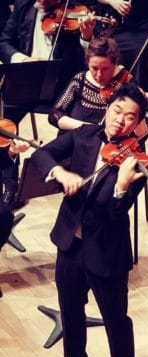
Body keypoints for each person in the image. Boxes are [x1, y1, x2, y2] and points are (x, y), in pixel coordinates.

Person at [30, 83, 148, 357]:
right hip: (70, 242)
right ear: (107, 108)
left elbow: (117, 212)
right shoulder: (83, 135)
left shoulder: (136, 163)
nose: (120, 120)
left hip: (106, 250)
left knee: (115, 317)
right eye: (117, 111)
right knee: (70, 308)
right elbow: (41, 155)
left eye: (130, 117)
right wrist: (59, 172)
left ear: (138, 123)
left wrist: (122, 186)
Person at [0, 0, 95, 206]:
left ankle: (64, 177)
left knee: (73, 123)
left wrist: (85, 38)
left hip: (61, 85)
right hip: (27, 78)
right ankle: (10, 184)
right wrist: (21, 59)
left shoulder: (75, 11)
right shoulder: (25, 5)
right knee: (3, 121)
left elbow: (84, 62)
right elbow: (4, 42)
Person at [48, 36, 127, 131]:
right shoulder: (80, 80)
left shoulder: (125, 85)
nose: (99, 75)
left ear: (116, 63)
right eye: (94, 68)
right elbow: (54, 115)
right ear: (88, 62)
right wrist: (88, 128)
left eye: (105, 69)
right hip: (71, 136)